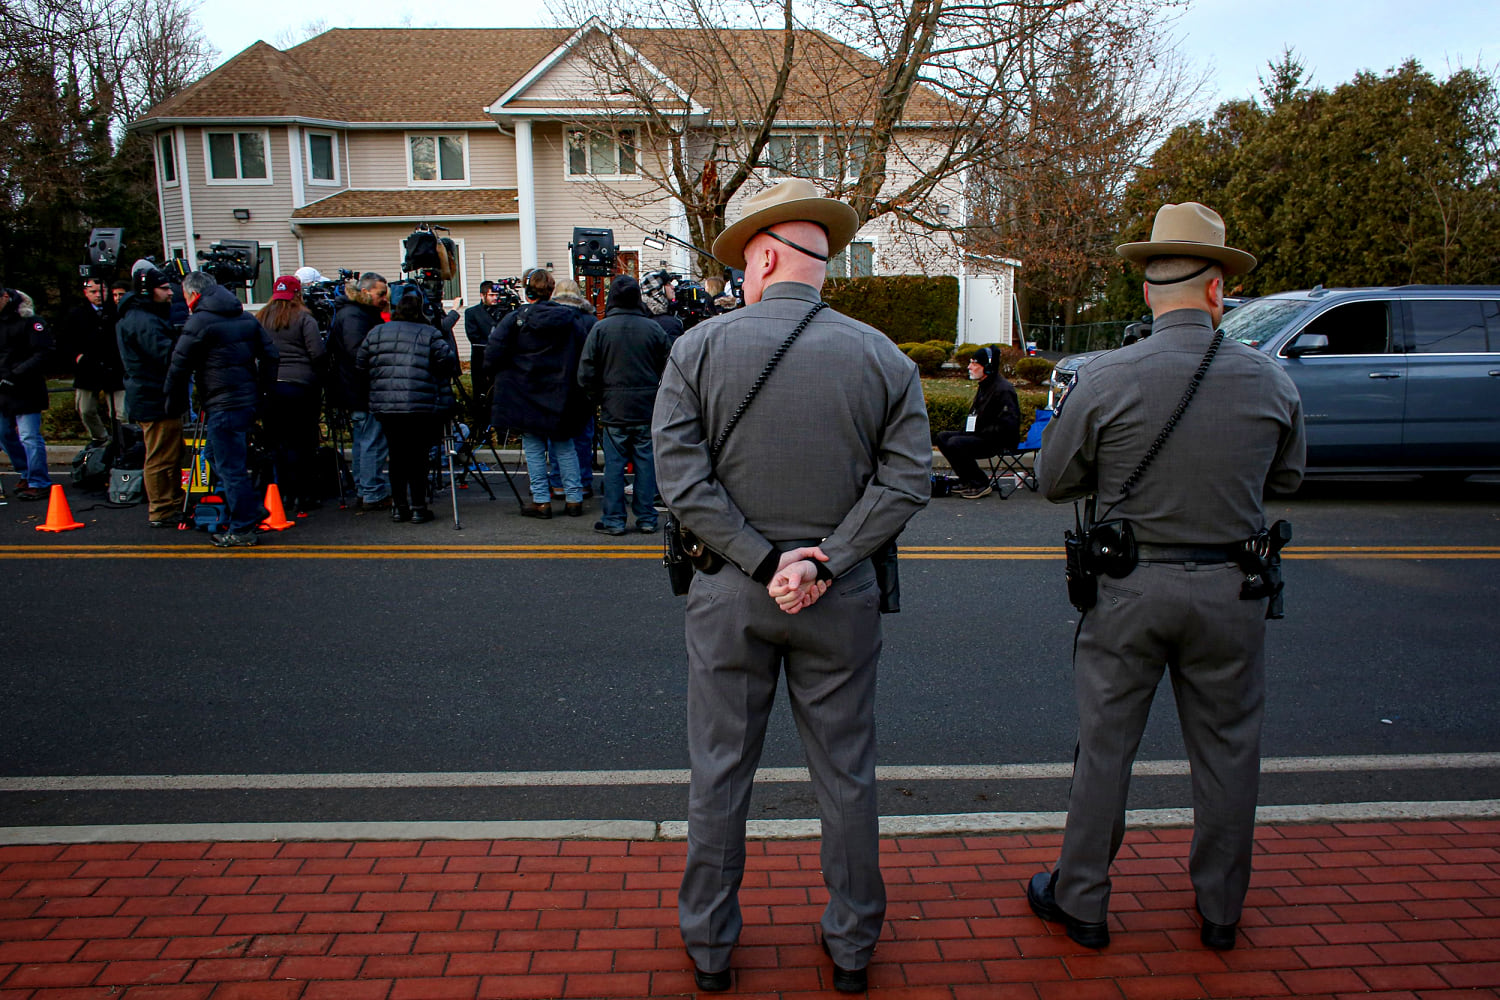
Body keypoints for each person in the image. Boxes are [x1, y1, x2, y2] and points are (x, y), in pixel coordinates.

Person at [652, 178, 931, 993]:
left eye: (744, 261)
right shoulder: (881, 355)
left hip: (731, 592)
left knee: (719, 769)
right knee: (846, 774)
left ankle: (709, 946)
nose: (742, 276)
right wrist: (824, 560)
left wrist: (763, 560)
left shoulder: (698, 350)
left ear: (766, 255)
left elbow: (680, 479)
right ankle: (851, 947)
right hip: (836, 595)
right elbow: (907, 482)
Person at [1027, 202, 1306, 953]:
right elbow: (1287, 477)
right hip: (1233, 587)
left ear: (1148, 291)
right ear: (1218, 290)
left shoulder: (1107, 375)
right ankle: (1221, 907)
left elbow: (1054, 481)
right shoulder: (1269, 381)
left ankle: (1082, 898)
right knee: (1227, 750)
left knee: (1105, 747)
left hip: (1129, 589)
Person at [164, 271, 279, 548]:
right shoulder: (244, 318)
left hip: (222, 402)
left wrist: (171, 400)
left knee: (230, 467)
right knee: (215, 455)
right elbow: (271, 355)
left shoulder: (200, 322)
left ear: (192, 295)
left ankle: (242, 527)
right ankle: (249, 509)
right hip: (244, 400)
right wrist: (263, 391)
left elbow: (179, 365)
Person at [484, 269, 593, 519]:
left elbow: (493, 354)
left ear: (528, 291)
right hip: (561, 392)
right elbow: (584, 355)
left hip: (526, 392)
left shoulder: (516, 319)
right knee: (565, 445)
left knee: (533, 446)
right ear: (551, 289)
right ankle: (574, 498)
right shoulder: (571, 320)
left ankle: (541, 500)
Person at [356, 286, 457, 524]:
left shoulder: (377, 332)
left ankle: (399, 507)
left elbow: (360, 362)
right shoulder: (429, 333)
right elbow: (447, 361)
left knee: (397, 455)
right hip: (419, 404)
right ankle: (418, 507)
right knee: (418, 457)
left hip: (387, 405)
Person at [578, 274, 669, 535]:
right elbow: (671, 367)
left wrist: (599, 397)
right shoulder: (653, 328)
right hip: (646, 407)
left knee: (614, 466)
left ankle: (615, 520)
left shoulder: (601, 329)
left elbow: (586, 372)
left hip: (614, 407)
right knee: (645, 463)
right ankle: (647, 517)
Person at [116, 267, 186, 527]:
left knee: (170, 452)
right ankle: (161, 508)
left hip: (157, 394)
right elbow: (166, 355)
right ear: (148, 291)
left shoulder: (145, 317)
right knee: (160, 455)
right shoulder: (142, 321)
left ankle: (172, 502)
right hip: (153, 395)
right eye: (164, 289)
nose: (170, 293)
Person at [257, 275, 325, 516]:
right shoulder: (304, 317)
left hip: (271, 387)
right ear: (298, 294)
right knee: (303, 442)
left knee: (277, 444)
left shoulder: (262, 317)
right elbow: (317, 352)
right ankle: (304, 494)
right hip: (300, 386)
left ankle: (280, 492)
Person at [327, 272, 392, 512]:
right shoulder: (355, 316)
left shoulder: (356, 313)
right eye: (381, 294)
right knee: (372, 440)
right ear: (365, 292)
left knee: (364, 440)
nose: (385, 298)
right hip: (363, 389)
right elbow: (358, 353)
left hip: (357, 388)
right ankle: (371, 491)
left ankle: (366, 489)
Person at [934, 345, 1020, 498]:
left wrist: (981, 431)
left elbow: (1009, 426)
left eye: (974, 363)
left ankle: (980, 483)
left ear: (987, 367)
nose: (969, 367)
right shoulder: (984, 386)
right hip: (980, 435)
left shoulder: (1003, 389)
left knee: (956, 443)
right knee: (943, 438)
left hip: (996, 440)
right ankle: (967, 480)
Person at [0, 287, 54, 500]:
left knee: (29, 436)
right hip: (3, 388)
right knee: (4, 434)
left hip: (26, 387)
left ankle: (38, 481)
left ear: (5, 297)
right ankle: (26, 471)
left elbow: (44, 352)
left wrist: (16, 374)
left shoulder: (31, 321)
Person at [547, 278, 598, 499]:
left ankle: (559, 481)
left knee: (557, 437)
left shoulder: (549, 319)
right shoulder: (589, 320)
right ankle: (583, 481)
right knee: (583, 436)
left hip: (554, 384)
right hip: (581, 384)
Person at [60, 276, 126, 444]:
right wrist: (77, 357)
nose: (98, 295)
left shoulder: (116, 312)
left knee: (121, 412)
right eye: (93, 291)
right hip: (88, 368)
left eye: (101, 291)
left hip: (115, 368)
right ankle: (101, 438)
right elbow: (65, 340)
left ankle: (123, 441)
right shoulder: (77, 314)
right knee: (85, 409)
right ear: (86, 293)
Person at [462, 280, 511, 431]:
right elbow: (474, 337)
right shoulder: (472, 313)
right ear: (482, 295)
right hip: (481, 360)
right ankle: (482, 428)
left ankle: (502, 429)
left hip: (501, 361)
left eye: (497, 294)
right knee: (481, 395)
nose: (495, 298)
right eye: (491, 295)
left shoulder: (505, 312)